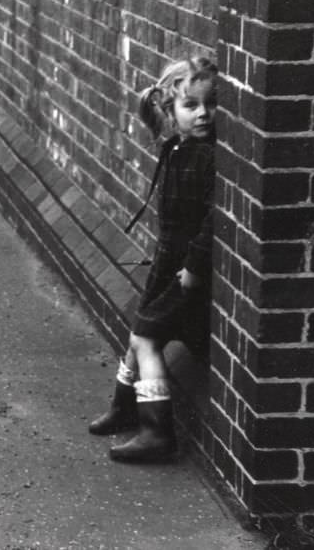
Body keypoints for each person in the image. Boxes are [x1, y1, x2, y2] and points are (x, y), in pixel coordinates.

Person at [89, 57, 217, 463]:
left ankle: (157, 431)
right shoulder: (179, 148)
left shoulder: (210, 157)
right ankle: (124, 407)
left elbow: (212, 222)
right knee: (138, 332)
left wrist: (194, 268)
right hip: (168, 263)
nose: (203, 114)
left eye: (211, 105)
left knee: (145, 339)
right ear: (170, 110)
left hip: (186, 270)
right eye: (191, 106)